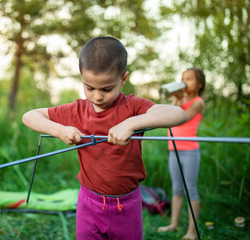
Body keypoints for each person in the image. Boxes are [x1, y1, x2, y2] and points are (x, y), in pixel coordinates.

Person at [22, 36, 187, 240]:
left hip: (127, 205)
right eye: (89, 88)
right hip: (88, 204)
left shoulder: (133, 107)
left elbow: (178, 114)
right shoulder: (77, 111)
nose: (97, 96)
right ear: (82, 77)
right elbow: (29, 116)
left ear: (123, 79)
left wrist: (131, 124)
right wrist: (59, 130)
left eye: (107, 89)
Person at [158, 68, 205, 240]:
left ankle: (192, 231)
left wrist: (178, 101)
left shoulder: (198, 102)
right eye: (183, 78)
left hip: (190, 152)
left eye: (190, 79)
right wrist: (177, 97)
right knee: (176, 189)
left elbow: (182, 116)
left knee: (190, 190)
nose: (185, 82)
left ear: (199, 84)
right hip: (174, 150)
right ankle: (173, 224)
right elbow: (171, 115)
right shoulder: (179, 99)